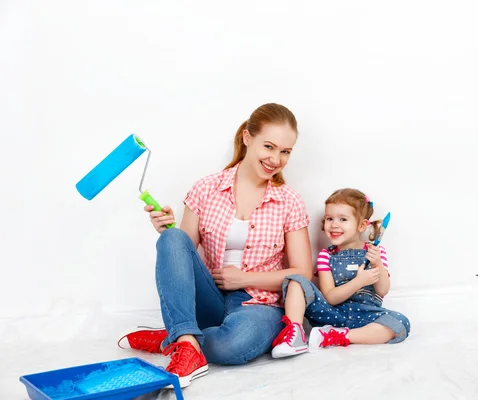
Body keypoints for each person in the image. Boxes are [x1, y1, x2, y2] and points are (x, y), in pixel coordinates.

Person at [117, 103, 313, 388]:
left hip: (258, 304)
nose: (276, 159)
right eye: (269, 147)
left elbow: (302, 272)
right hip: (209, 298)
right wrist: (167, 229)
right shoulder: (206, 188)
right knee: (172, 238)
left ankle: (173, 338)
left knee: (231, 346)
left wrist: (244, 279)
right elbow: (182, 252)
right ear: (247, 138)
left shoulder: (289, 201)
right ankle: (185, 340)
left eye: (285, 152)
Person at [270, 188, 410, 358]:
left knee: (400, 322)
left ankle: (336, 336)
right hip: (330, 313)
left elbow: (382, 290)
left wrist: (377, 263)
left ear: (362, 225)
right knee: (295, 280)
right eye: (329, 218)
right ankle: (294, 334)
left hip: (365, 316)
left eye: (343, 219)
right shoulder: (326, 255)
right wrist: (358, 282)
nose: (334, 224)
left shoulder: (376, 253)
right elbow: (330, 297)